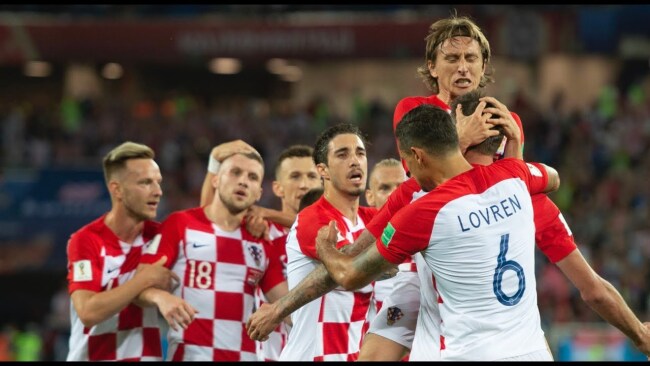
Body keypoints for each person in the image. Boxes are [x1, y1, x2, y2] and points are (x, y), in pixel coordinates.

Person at [315, 104, 560, 360]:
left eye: (407, 163)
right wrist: (515, 148)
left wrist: (325, 247)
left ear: (417, 155)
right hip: (532, 352)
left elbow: (350, 274)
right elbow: (552, 178)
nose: (408, 173)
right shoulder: (515, 175)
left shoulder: (423, 213)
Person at [138, 150, 288, 361]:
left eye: (252, 177)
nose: (243, 181)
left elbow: (287, 306)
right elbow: (138, 284)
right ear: (215, 180)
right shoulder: (180, 224)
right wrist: (160, 297)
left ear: (258, 194)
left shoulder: (261, 240)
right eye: (235, 172)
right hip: (190, 355)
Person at [66, 141, 186, 361]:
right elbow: (88, 311)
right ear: (117, 189)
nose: (158, 192)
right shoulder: (85, 240)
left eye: (158, 183)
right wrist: (143, 280)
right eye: (145, 183)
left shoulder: (162, 238)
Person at [279, 123, 376, 361]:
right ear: (323, 170)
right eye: (342, 154)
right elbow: (350, 270)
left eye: (360, 153)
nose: (354, 161)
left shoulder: (370, 220)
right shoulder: (314, 218)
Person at [254, 144, 322, 361]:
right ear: (277, 188)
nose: (304, 184)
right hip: (276, 353)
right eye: (295, 176)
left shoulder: (338, 233)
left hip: (334, 349)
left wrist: (270, 213)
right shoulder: (261, 236)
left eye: (312, 176)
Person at [363, 159, 408, 313]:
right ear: (370, 197)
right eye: (384, 188)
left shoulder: (432, 234)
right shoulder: (357, 236)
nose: (395, 194)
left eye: (401, 187)